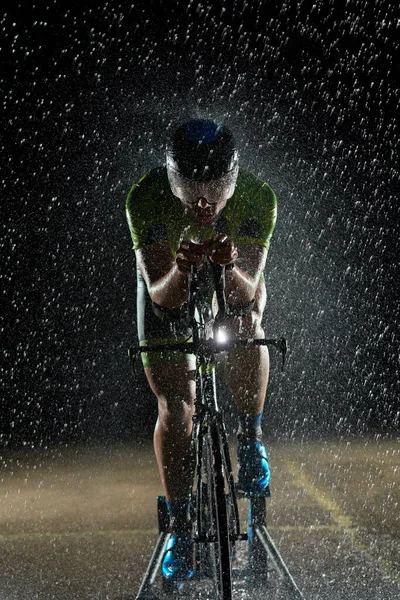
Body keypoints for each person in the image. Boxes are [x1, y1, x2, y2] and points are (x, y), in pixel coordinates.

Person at [126, 119, 277, 581]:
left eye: (217, 187)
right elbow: (161, 295)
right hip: (170, 282)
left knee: (248, 321)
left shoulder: (258, 198)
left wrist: (228, 266)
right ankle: (180, 524)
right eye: (191, 188)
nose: (204, 201)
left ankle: (250, 440)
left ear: (233, 180)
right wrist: (182, 268)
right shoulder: (145, 198)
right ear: (172, 180)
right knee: (177, 407)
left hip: (233, 281)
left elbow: (245, 291)